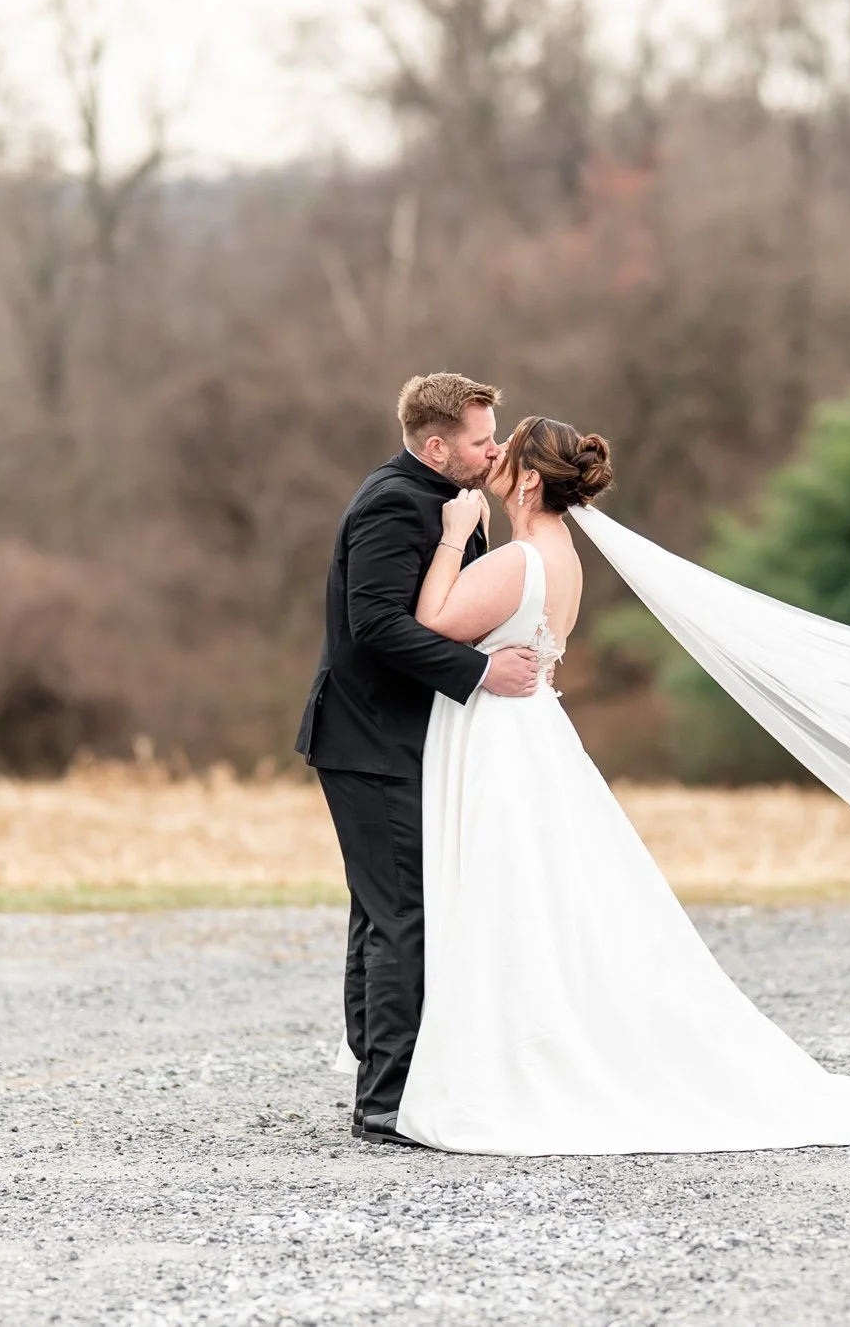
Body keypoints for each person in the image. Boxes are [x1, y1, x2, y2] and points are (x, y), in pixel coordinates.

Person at [388, 415, 850, 1154]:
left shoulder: (518, 559)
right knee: (536, 892)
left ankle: (502, 1062)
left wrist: (450, 532)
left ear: (530, 480)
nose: (493, 458)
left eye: (510, 450)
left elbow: (430, 620)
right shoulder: (563, 557)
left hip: (503, 741)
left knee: (507, 891)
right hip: (533, 734)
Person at [295, 374, 545, 1146]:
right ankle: (387, 1099)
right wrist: (479, 674)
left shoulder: (448, 499)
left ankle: (383, 1081)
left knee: (384, 910)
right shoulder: (394, 502)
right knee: (402, 911)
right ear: (435, 446)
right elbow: (372, 625)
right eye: (480, 439)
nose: (494, 447)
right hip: (368, 740)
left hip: (395, 737)